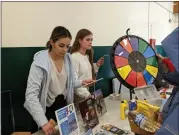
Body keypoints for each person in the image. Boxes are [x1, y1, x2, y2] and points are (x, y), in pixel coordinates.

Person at [24, 26, 95, 135]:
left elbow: (69, 83)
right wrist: (43, 122)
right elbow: (31, 96)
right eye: (61, 46)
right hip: (46, 110)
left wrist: (81, 82)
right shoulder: (39, 63)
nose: (65, 50)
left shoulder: (68, 59)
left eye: (67, 46)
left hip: (63, 107)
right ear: (52, 42)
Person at [70, 29, 104, 99]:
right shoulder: (74, 57)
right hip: (78, 96)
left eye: (91, 40)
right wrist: (88, 96)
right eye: (88, 40)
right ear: (80, 40)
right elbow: (74, 83)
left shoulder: (86, 56)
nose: (90, 42)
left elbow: (85, 72)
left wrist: (96, 66)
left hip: (85, 93)